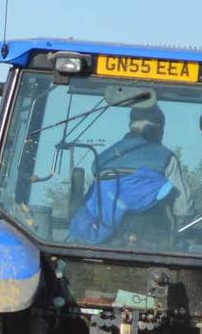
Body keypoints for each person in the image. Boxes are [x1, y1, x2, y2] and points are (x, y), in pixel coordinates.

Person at [68, 101, 190, 246]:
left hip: (106, 239)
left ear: (131, 125)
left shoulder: (104, 158)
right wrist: (179, 230)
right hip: (153, 241)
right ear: (158, 130)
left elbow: (92, 203)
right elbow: (183, 206)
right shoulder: (166, 158)